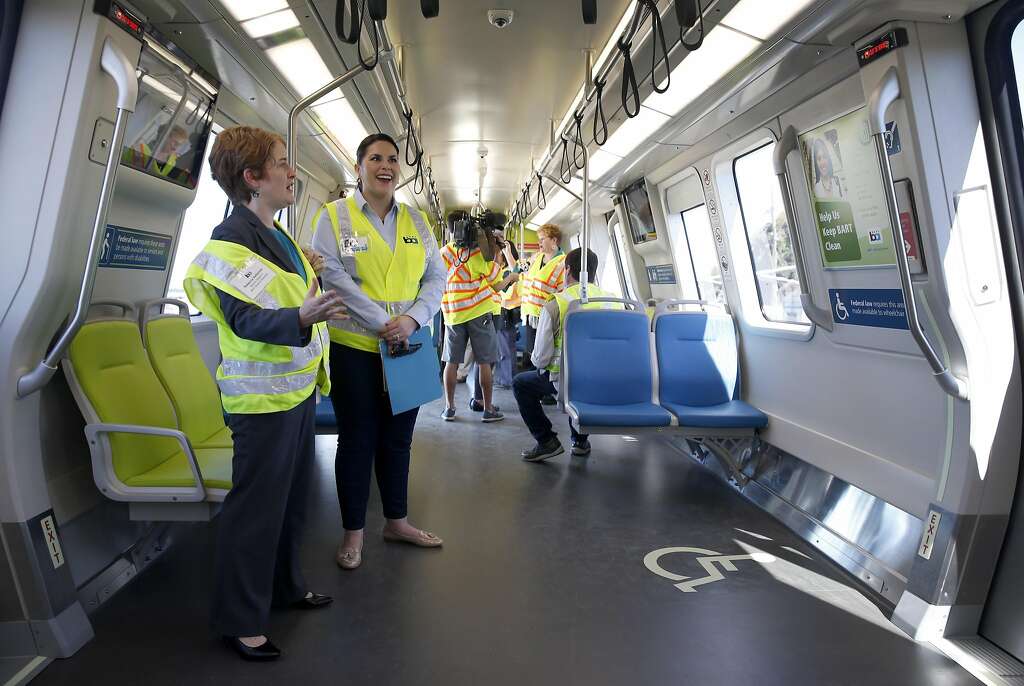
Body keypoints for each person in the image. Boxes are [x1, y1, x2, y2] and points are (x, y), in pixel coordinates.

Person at [183, 126, 347, 661]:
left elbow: (279, 292)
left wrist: (310, 277)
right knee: (255, 510)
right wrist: (300, 315)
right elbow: (245, 317)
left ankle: (283, 587)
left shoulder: (274, 234)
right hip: (260, 402)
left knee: (291, 502)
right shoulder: (231, 241)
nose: (291, 171)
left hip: (294, 392)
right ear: (252, 178)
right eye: (281, 163)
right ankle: (240, 619)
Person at [312, 133, 445, 571]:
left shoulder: (418, 220)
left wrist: (411, 320)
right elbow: (334, 277)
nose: (384, 166)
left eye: (391, 159)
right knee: (357, 441)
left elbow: (435, 278)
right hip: (355, 348)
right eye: (375, 158)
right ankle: (354, 533)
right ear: (359, 167)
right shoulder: (333, 216)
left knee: (399, 441)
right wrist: (381, 323)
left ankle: (397, 521)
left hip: (407, 345)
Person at [513, 247, 615, 462]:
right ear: (594, 272)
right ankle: (579, 441)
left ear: (567, 270)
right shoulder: (613, 301)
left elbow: (540, 357)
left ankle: (546, 440)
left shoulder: (556, 303)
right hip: (606, 379)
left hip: (564, 382)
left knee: (522, 383)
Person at [439, 213, 513, 422]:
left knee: (451, 363)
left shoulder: (443, 253)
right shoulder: (477, 254)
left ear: (451, 230)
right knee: (484, 362)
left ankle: (449, 408)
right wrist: (500, 256)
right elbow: (496, 283)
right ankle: (488, 409)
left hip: (453, 314)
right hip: (479, 312)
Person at [519, 224, 566, 405]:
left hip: (548, 314)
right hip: (532, 313)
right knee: (534, 352)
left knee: (546, 352)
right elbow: (523, 273)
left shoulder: (562, 262)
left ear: (554, 240)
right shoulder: (538, 258)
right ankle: (537, 388)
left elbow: (562, 290)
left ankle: (546, 392)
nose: (539, 243)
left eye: (542, 239)